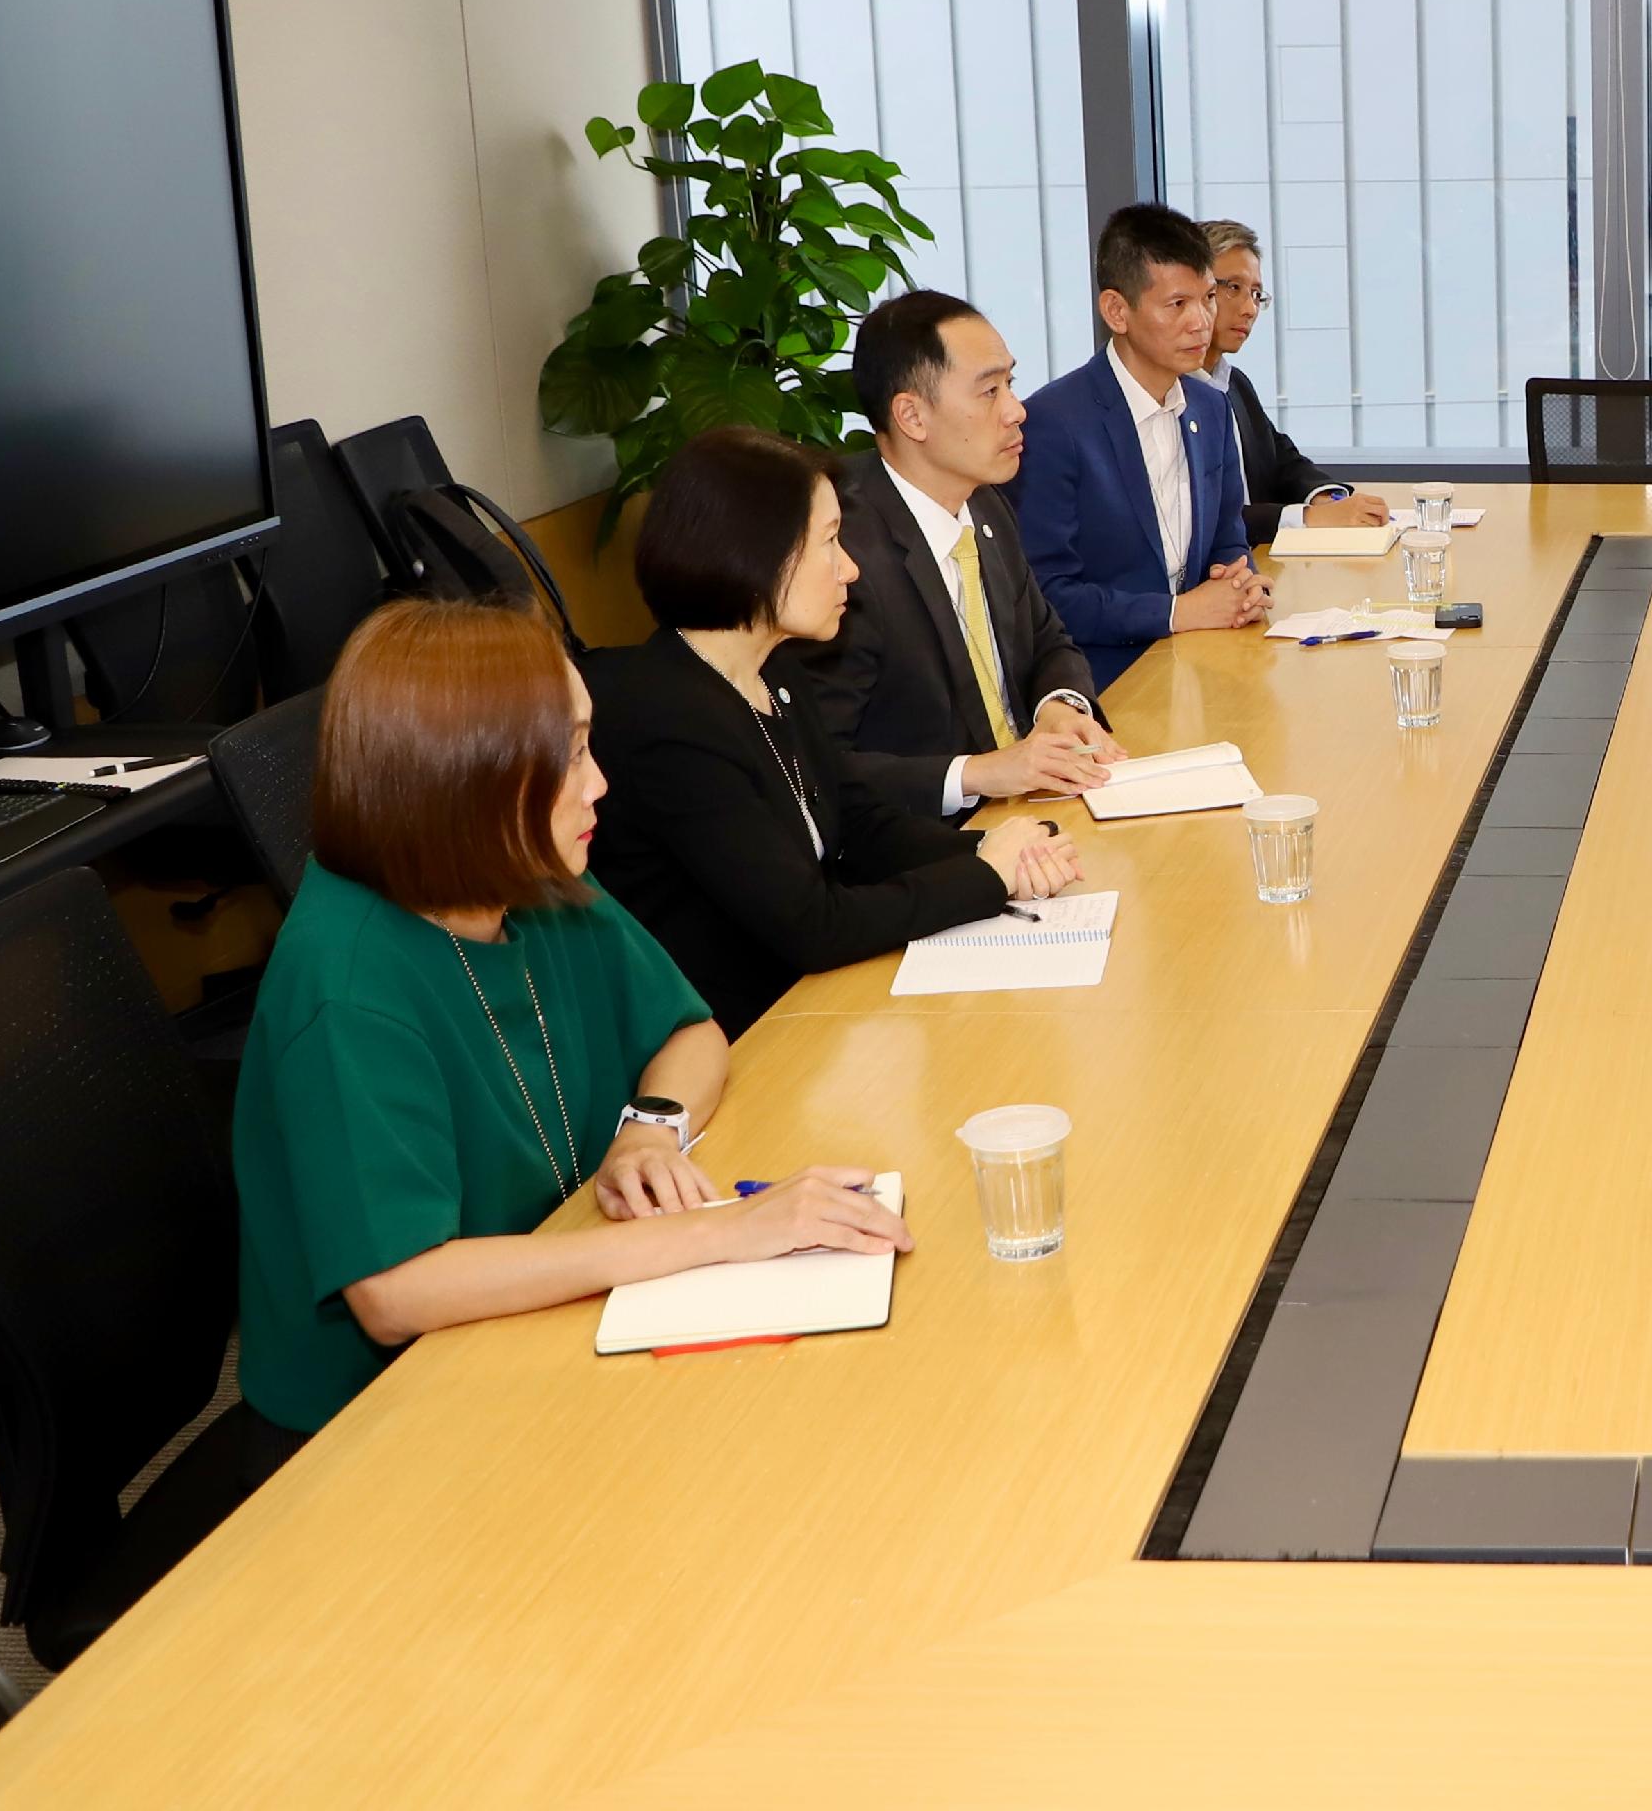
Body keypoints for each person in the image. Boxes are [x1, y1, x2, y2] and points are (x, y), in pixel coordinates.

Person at [233, 599, 913, 1444]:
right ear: (468, 776)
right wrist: (717, 1233)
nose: (600, 783)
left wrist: (649, 1132)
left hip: (551, 1306)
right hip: (377, 1425)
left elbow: (691, 1033)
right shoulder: (348, 983)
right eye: (571, 753)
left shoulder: (526, 870)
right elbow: (397, 1292)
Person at [586, 426, 1082, 1037]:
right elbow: (813, 927)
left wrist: (1000, 849)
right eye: (828, 542)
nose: (849, 568)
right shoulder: (669, 721)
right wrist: (985, 878)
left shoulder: (774, 671)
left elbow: (858, 823)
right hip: (741, 1036)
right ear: (752, 553)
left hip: (817, 1004)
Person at [775, 289, 1124, 823]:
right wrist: (980, 772)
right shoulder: (840, 552)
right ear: (912, 416)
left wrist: (1059, 706)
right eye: (989, 391)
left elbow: (1048, 638)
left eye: (1011, 382)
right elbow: (816, 768)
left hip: (1033, 807)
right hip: (932, 842)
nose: (1016, 410)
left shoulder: (984, 500)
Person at [1014, 202, 1268, 686]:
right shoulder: (1053, 424)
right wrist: (1176, 612)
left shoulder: (1211, 408)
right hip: (1105, 681)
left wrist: (1242, 583)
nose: (1201, 321)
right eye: (1178, 304)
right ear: (1117, 311)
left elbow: (1228, 535)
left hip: (1203, 662)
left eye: (1208, 298)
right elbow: (1047, 597)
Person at [1197, 218, 1389, 540]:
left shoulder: (1233, 383)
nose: (1249, 309)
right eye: (1234, 288)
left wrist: (1326, 496)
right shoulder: (1171, 395)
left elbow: (1281, 460)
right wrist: (1310, 517)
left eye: (1257, 294)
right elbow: (1208, 519)